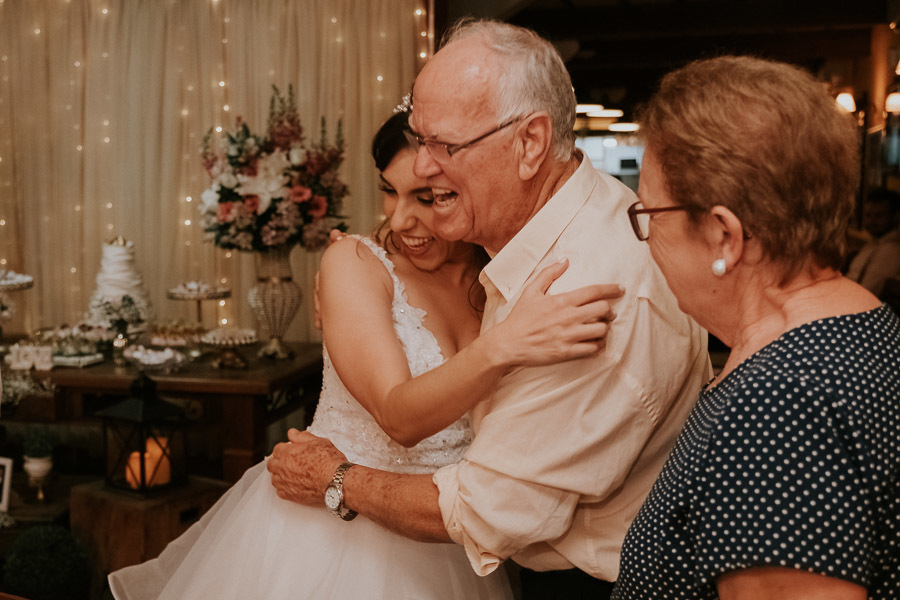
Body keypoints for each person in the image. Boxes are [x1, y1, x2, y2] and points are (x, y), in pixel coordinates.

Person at [267, 19, 709, 598]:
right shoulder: (515, 239)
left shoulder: (583, 292)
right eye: (419, 140)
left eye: (445, 145)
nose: (423, 166)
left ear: (529, 142)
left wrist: (337, 480)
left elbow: (486, 510)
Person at [107, 109, 618, 600]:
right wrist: (502, 347)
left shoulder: (502, 276)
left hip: (454, 542)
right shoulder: (355, 262)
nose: (402, 220)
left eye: (428, 197)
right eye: (390, 193)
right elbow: (398, 414)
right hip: (325, 540)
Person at [612, 56, 900, 599]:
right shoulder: (863, 322)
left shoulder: (777, 404)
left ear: (725, 236)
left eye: (650, 216)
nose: (646, 240)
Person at [845, 187, 900, 297]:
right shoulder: (874, 244)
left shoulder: (891, 250)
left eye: (879, 216)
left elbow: (865, 292)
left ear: (895, 217)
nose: (871, 221)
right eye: (868, 216)